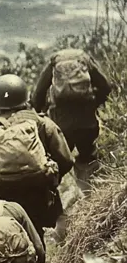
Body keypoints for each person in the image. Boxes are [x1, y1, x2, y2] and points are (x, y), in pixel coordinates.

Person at [0, 73, 73, 243]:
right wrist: (50, 178)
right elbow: (66, 159)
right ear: (25, 99)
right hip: (41, 196)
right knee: (39, 234)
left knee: (7, 239)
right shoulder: (42, 124)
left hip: (1, 199)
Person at [32, 48, 112, 187]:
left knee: (57, 163)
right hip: (87, 122)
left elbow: (38, 93)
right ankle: (90, 195)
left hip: (61, 124)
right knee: (88, 160)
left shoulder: (54, 62)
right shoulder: (85, 59)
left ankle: (52, 196)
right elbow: (105, 86)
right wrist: (94, 104)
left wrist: (40, 111)